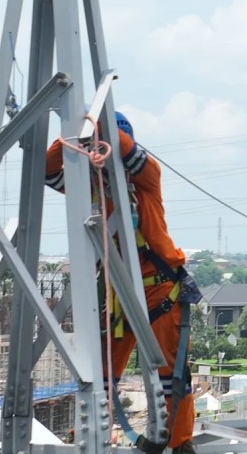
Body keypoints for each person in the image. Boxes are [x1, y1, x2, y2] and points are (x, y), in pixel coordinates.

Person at [45, 111, 197, 454]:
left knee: (170, 377)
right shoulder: (90, 188)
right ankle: (90, 435)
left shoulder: (146, 180)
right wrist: (77, 135)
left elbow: (128, 151)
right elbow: (47, 168)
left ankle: (179, 443)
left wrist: (97, 128)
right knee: (99, 373)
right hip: (119, 294)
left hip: (158, 289)